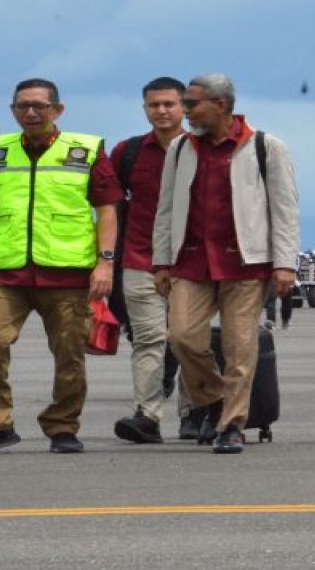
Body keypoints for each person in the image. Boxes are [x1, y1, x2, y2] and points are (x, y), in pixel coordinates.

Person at [0, 78, 121, 455]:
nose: (30, 113)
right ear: (12, 110)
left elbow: (107, 210)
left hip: (68, 272)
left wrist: (105, 263)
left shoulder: (86, 151)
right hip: (4, 272)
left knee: (69, 354)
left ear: (57, 110)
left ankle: (63, 426)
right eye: (22, 106)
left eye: (39, 106)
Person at [152, 72, 301, 454]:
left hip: (246, 263)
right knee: (181, 337)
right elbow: (166, 208)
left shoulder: (265, 146)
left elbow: (285, 210)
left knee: (240, 347)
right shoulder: (181, 148)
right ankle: (216, 400)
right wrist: (161, 261)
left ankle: (232, 424)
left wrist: (285, 264)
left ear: (220, 105)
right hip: (191, 260)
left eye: (191, 104)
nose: (185, 111)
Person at [109, 77, 194, 444]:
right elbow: (110, 206)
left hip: (192, 263)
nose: (161, 111)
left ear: (185, 107)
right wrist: (105, 259)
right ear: (144, 108)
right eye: (154, 105)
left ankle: (194, 413)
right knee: (147, 340)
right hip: (140, 258)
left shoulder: (200, 149)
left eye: (169, 104)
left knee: (190, 341)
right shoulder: (127, 152)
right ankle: (147, 416)